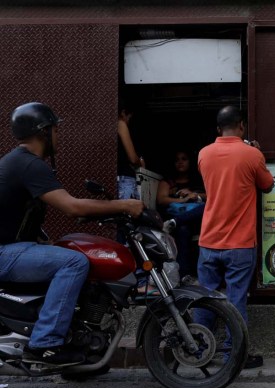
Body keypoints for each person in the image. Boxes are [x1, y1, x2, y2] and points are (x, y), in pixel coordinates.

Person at [0, 102, 144, 366]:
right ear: (43, 131)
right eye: (55, 130)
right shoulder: (29, 165)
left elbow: (19, 213)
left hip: (12, 248)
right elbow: (70, 206)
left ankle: (80, 346)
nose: (58, 136)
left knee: (70, 250)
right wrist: (126, 204)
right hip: (5, 253)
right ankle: (45, 345)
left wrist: (46, 241)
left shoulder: (22, 162)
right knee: (74, 261)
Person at [197, 106, 274, 369]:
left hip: (208, 241)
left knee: (205, 297)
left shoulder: (203, 154)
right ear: (241, 126)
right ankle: (235, 355)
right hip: (240, 244)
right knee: (236, 299)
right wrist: (257, 153)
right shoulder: (251, 154)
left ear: (218, 129)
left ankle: (198, 349)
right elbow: (267, 185)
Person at [156, 150, 206, 282]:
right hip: (179, 222)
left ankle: (176, 221)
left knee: (207, 207)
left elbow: (212, 197)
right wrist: (183, 200)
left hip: (195, 221)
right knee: (183, 230)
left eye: (184, 159)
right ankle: (184, 275)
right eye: (177, 159)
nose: (180, 162)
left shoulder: (198, 180)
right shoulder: (168, 181)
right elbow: (161, 199)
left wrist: (194, 195)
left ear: (190, 162)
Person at [117, 102, 144, 200]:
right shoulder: (120, 123)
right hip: (125, 179)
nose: (128, 122)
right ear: (123, 113)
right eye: (129, 117)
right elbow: (132, 158)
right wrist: (140, 162)